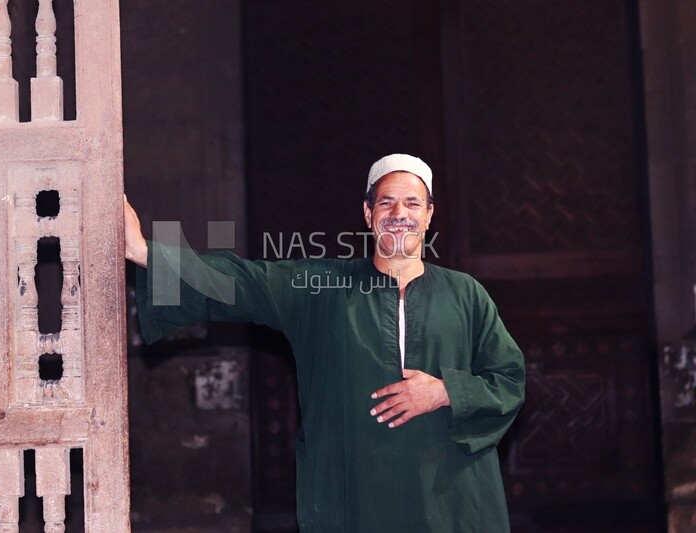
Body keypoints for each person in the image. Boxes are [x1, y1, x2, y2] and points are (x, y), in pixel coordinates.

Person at [124, 154, 525, 532]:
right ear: (368, 214)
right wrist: (145, 253)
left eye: (412, 203)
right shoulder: (322, 286)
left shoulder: (465, 294)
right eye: (386, 203)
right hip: (356, 498)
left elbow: (508, 381)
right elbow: (240, 282)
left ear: (429, 214)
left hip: (449, 499)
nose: (399, 214)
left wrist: (445, 391)